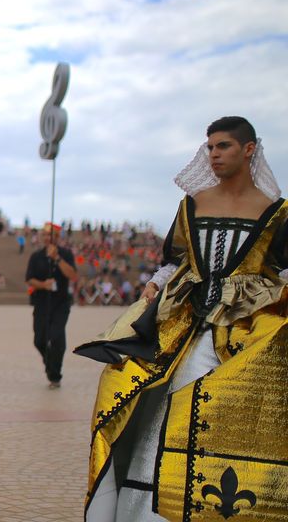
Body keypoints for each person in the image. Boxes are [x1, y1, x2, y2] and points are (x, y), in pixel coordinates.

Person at [76, 116, 288, 520]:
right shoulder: (194, 203)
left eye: (223, 146)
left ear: (249, 150)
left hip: (245, 329)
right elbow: (174, 259)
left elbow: (282, 271)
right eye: (209, 147)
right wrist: (156, 283)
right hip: (185, 321)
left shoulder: (277, 212)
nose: (213, 154)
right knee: (141, 393)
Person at [25, 222, 78, 389]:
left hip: (60, 303)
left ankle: (55, 374)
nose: (48, 238)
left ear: (58, 237)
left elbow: (73, 275)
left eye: (51, 235)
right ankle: (50, 364)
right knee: (39, 340)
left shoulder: (66, 254)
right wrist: (43, 284)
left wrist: (57, 258)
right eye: (45, 235)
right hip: (41, 303)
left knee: (56, 337)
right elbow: (29, 279)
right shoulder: (36, 256)